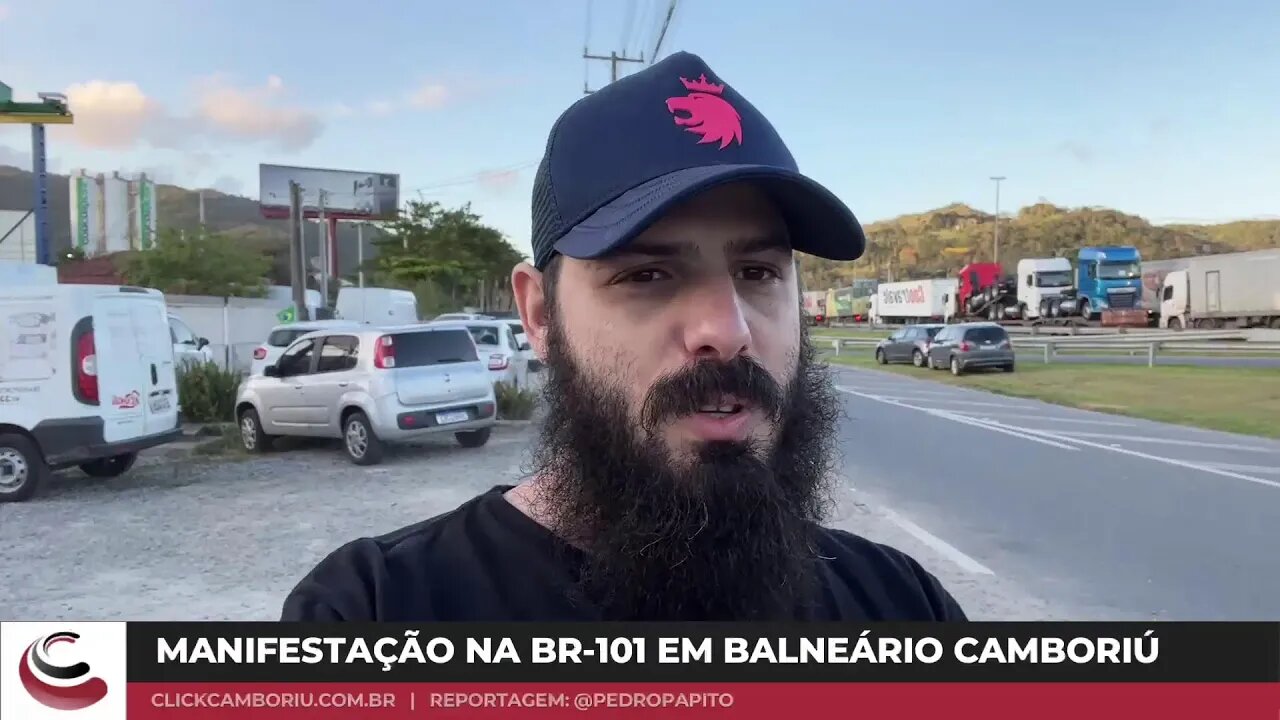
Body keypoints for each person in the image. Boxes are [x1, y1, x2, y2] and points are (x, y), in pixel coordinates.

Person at [280, 51, 967, 622]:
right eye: (647, 275)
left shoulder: (903, 607)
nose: (726, 333)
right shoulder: (375, 611)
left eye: (758, 271)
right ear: (541, 316)